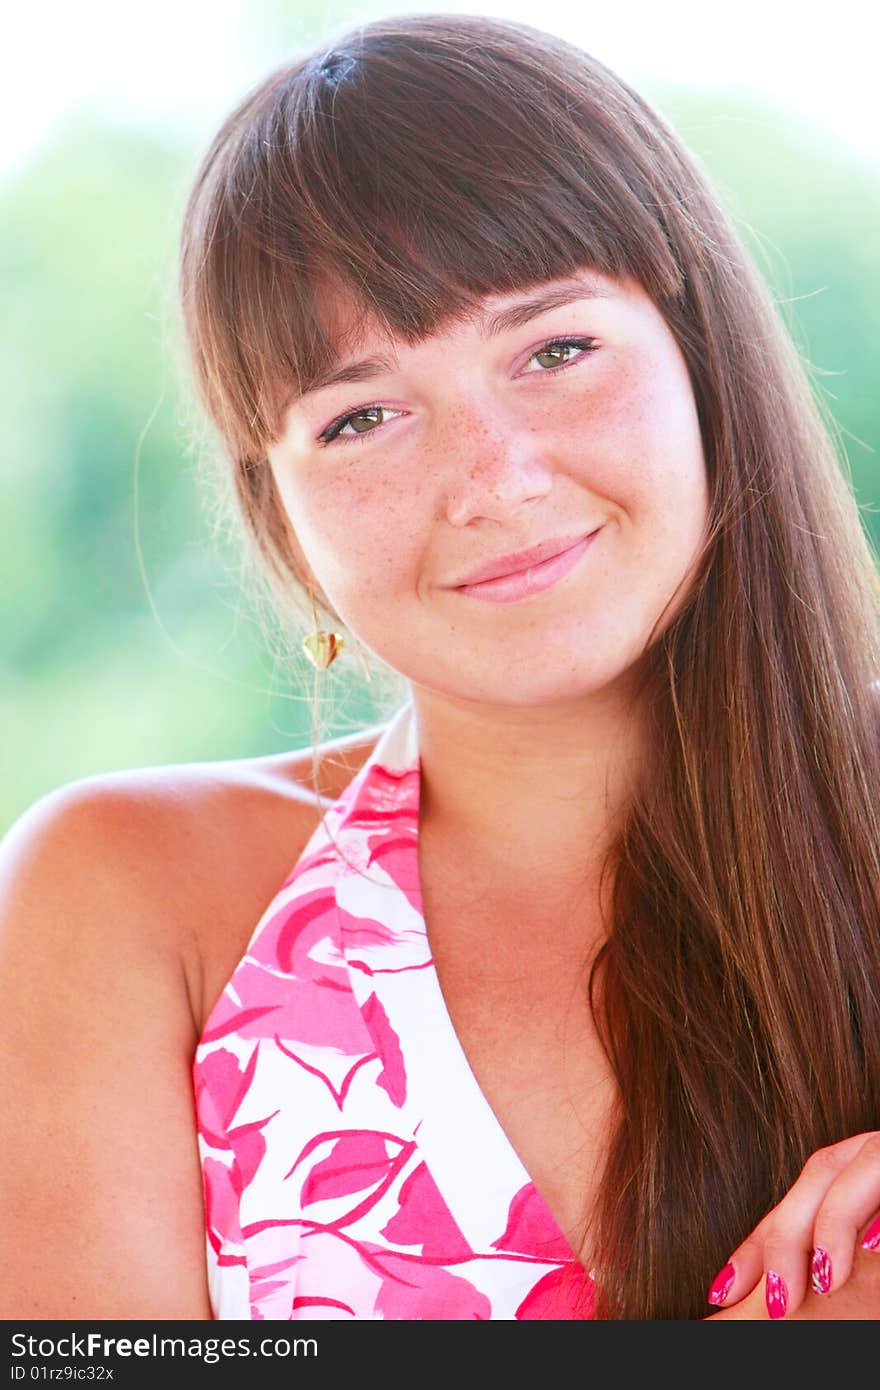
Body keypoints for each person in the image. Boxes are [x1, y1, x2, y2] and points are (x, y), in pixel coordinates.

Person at [2, 10, 880, 1322]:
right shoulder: (134, 896)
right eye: (360, 416)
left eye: (557, 349)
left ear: (702, 357)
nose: (491, 479)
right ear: (276, 510)